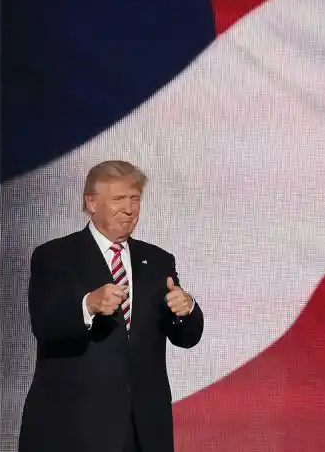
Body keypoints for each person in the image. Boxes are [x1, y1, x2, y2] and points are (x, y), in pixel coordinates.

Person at [18, 160, 204, 452]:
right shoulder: (56, 256)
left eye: (134, 199)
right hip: (73, 429)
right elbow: (45, 325)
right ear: (91, 203)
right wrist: (88, 305)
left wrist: (187, 309)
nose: (129, 209)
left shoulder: (157, 261)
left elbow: (186, 337)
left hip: (142, 431)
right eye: (118, 199)